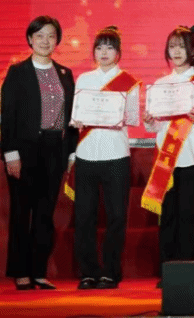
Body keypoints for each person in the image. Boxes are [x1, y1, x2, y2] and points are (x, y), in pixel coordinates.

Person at [0, 15, 77, 290]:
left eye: (51, 36)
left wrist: (71, 153)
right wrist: (11, 153)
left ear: (57, 40)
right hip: (24, 150)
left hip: (54, 149)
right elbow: (7, 116)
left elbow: (72, 118)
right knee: (22, 211)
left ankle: (39, 271)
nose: (46, 41)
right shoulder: (17, 72)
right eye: (40, 35)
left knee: (45, 213)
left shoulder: (65, 74)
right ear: (30, 39)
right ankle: (20, 271)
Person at [141, 25, 194, 285]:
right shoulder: (160, 85)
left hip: (191, 158)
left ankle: (184, 275)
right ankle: (167, 272)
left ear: (193, 50)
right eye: (172, 47)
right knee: (168, 217)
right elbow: (155, 127)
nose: (177, 51)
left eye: (182, 46)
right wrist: (149, 121)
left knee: (187, 217)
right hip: (166, 161)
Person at [69, 26, 139, 290]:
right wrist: (77, 120)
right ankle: (88, 272)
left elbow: (133, 118)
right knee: (84, 216)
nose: (104, 52)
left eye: (109, 47)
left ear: (118, 52)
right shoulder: (84, 79)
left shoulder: (129, 82)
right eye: (99, 47)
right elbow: (75, 115)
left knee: (117, 216)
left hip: (116, 154)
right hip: (86, 154)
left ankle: (110, 272)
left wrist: (117, 115)